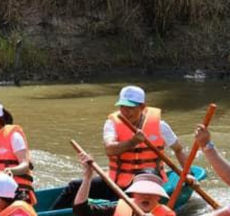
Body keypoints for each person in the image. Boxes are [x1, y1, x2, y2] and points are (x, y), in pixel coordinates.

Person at [52, 85, 186, 208]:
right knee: (74, 186)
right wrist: (132, 142)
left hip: (146, 183)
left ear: (142, 106)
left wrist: (188, 173)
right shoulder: (112, 124)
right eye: (122, 107)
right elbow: (110, 150)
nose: (126, 112)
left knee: (126, 202)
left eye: (130, 108)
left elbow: (178, 149)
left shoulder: (160, 126)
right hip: (117, 180)